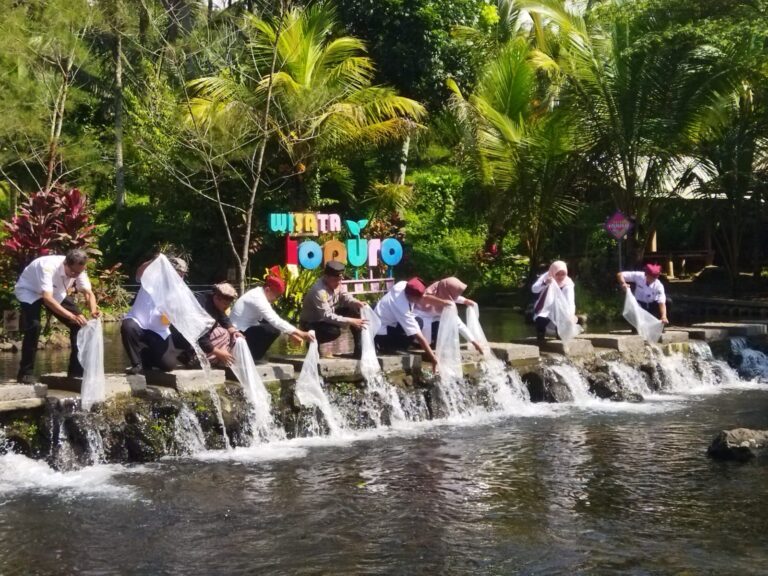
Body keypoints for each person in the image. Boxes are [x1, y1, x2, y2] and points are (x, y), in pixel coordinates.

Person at [14, 249, 100, 383]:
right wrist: (71, 316)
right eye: (73, 272)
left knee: (80, 325)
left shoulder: (79, 269)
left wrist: (93, 310)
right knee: (34, 326)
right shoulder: (47, 266)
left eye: (79, 273)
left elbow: (88, 293)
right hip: (29, 291)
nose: (75, 275)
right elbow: (47, 299)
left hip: (55, 292)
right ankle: (25, 373)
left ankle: (75, 373)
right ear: (65, 263)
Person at [121, 256, 191, 374]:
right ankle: (136, 363)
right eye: (178, 273)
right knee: (128, 326)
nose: (180, 276)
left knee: (168, 365)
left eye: (183, 274)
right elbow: (139, 273)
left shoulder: (180, 290)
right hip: (138, 322)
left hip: (160, 331)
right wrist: (154, 260)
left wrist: (172, 315)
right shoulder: (151, 277)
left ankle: (151, 357)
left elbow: (180, 314)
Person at [230, 273, 314, 362]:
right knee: (273, 329)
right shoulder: (257, 298)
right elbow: (275, 321)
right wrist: (301, 333)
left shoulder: (259, 293)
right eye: (276, 296)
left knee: (269, 324)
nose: (276, 300)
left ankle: (255, 355)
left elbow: (270, 320)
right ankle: (253, 356)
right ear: (267, 290)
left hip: (245, 330)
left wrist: (292, 334)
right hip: (238, 334)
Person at [374, 277, 449, 372]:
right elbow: (418, 335)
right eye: (419, 299)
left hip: (387, 323)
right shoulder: (401, 307)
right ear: (412, 297)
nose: (422, 299)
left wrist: (443, 303)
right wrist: (433, 358)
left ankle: (394, 345)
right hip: (381, 334)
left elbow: (424, 296)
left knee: (418, 321)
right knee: (418, 323)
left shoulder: (403, 285)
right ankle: (391, 347)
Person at [299, 261, 367, 356]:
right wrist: (350, 321)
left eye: (340, 279)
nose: (339, 283)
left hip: (327, 316)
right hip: (312, 323)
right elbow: (327, 316)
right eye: (335, 280)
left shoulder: (337, 283)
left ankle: (359, 350)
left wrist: (356, 302)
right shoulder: (319, 291)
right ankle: (312, 341)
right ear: (326, 277)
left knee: (354, 310)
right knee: (333, 332)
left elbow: (344, 296)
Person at [415, 277, 483, 353]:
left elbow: (459, 324)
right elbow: (433, 298)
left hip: (436, 318)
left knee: (442, 337)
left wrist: (474, 342)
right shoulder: (428, 295)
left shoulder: (444, 292)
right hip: (422, 316)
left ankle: (432, 342)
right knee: (424, 339)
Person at [531, 260, 576, 341]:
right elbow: (534, 289)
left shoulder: (568, 283)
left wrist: (571, 315)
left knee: (565, 318)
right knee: (541, 318)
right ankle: (541, 333)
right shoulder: (547, 276)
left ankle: (560, 333)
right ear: (553, 272)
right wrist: (545, 283)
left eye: (563, 274)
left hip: (561, 308)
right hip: (546, 306)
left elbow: (570, 301)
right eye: (557, 274)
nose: (560, 277)